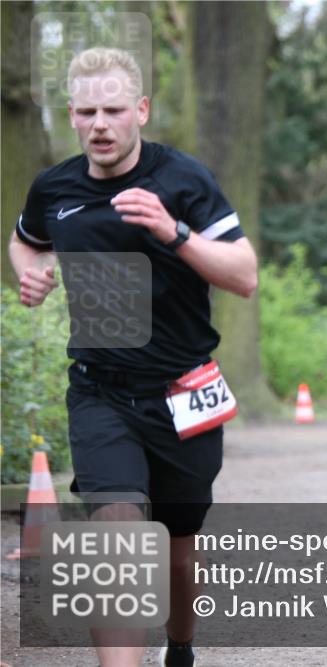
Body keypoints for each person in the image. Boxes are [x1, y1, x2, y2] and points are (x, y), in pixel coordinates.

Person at [8, 47, 257, 667]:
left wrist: (174, 232)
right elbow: (24, 241)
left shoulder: (183, 180)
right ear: (71, 115)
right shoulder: (55, 188)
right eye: (87, 111)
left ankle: (180, 645)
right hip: (100, 392)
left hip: (183, 390)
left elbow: (245, 276)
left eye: (114, 109)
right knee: (115, 542)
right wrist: (33, 274)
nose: (100, 124)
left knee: (177, 550)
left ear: (140, 110)